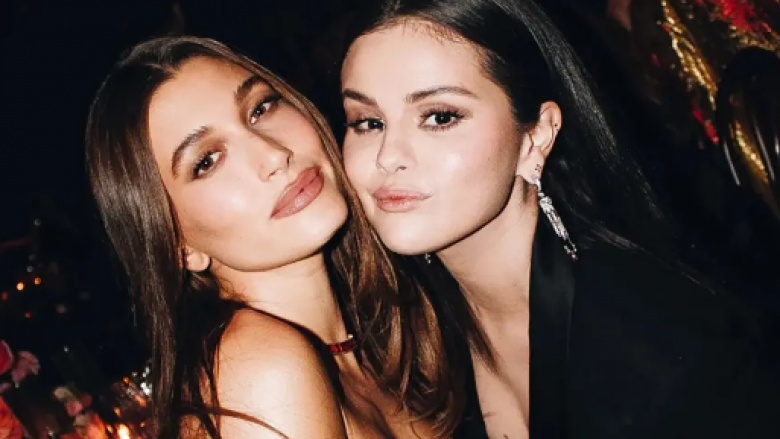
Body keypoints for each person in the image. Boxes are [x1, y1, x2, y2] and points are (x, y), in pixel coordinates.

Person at [338, 1, 780, 438]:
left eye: (439, 117)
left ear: (536, 136)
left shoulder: (655, 348)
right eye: (367, 122)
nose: (388, 156)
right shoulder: (408, 330)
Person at [85, 36, 458, 439]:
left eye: (260, 109)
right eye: (207, 161)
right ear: (178, 246)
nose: (273, 154)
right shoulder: (259, 372)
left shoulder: (374, 343)